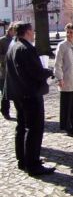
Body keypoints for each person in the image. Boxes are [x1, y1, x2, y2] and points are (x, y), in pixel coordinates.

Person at [3, 22, 55, 176]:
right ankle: (32, 164)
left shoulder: (13, 46)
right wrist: (48, 72)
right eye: (32, 31)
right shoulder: (26, 48)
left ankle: (23, 160)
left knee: (22, 126)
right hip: (29, 93)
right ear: (27, 32)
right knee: (34, 128)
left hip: (18, 93)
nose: (34, 34)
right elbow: (35, 72)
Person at [0, 22, 16, 120]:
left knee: (15, 93)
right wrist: (8, 57)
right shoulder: (2, 41)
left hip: (14, 72)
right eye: (13, 30)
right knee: (5, 93)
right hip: (4, 71)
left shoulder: (16, 40)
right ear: (10, 30)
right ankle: (5, 111)